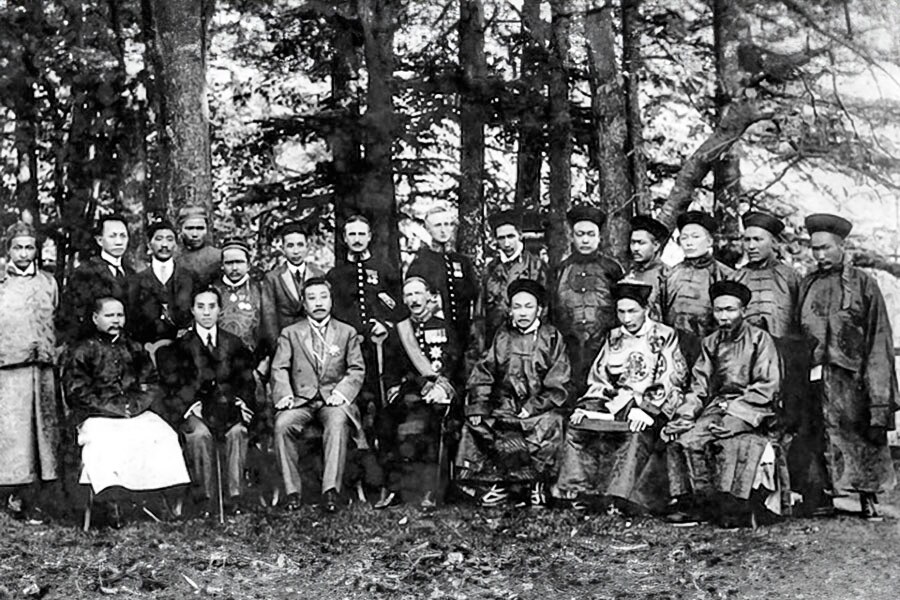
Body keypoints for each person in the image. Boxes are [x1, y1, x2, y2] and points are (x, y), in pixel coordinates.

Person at [798, 213, 898, 519]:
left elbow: (878, 336)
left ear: (842, 246)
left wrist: (877, 389)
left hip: (853, 377)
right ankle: (822, 496)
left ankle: (868, 497)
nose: (820, 255)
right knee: (818, 433)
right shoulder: (807, 283)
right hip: (816, 374)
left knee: (861, 434)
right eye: (815, 249)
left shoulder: (864, 284)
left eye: (826, 248)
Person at [556, 282, 686, 513]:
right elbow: (599, 378)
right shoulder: (614, 337)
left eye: (632, 311)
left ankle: (619, 498)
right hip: (614, 406)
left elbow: (671, 380)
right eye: (621, 312)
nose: (626, 318)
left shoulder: (664, 335)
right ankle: (581, 492)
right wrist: (588, 406)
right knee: (578, 427)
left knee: (635, 433)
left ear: (646, 309)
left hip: (649, 408)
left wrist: (647, 411)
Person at [664, 281, 786, 526]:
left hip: (753, 408)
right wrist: (686, 414)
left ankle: (734, 506)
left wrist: (735, 413)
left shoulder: (760, 340)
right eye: (719, 310)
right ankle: (700, 505)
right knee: (687, 440)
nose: (724, 316)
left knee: (728, 442)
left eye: (730, 310)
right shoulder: (710, 343)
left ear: (743, 311)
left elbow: (767, 385)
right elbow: (699, 385)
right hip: (717, 406)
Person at [63, 297, 190, 514]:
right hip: (97, 415)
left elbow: (150, 381)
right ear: (95, 318)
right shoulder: (82, 350)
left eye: (119, 315)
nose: (115, 321)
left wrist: (135, 405)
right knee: (105, 441)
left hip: (134, 411)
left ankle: (163, 497)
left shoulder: (133, 347)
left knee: (163, 435)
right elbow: (77, 391)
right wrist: (111, 409)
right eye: (109, 315)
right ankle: (111, 500)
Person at [729, 212, 818, 512]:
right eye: (747, 239)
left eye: (758, 239)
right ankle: (753, 491)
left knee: (790, 422)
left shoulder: (792, 277)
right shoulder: (736, 277)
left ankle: (795, 489)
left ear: (774, 242)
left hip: (787, 362)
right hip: (748, 367)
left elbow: (804, 323)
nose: (751, 245)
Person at [455, 279, 570, 507]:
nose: (523, 313)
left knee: (551, 424)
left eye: (529, 306)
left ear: (539, 309)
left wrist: (532, 406)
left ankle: (536, 483)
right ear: (510, 309)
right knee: (476, 425)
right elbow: (484, 372)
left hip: (537, 409)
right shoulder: (502, 335)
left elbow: (559, 383)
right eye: (517, 307)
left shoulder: (552, 337)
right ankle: (500, 485)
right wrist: (479, 404)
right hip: (504, 406)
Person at [270, 278, 366, 513]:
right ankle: (292, 491)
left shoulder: (346, 332)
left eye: (323, 297)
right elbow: (279, 367)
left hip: (332, 398)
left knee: (337, 421)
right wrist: (284, 393)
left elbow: (356, 368)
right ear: (304, 303)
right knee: (282, 424)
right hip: (302, 399)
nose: (318, 303)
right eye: (312, 298)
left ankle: (330, 490)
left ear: (331, 300)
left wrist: (341, 392)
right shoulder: (290, 333)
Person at [157, 288, 256, 514]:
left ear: (220, 310)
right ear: (192, 310)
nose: (206, 313)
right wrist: (190, 405)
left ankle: (234, 497)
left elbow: (247, 381)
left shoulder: (234, 343)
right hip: (196, 410)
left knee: (237, 432)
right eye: (200, 307)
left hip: (227, 407)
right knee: (199, 435)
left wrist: (241, 401)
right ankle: (204, 499)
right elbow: (172, 384)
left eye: (212, 306)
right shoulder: (180, 347)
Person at [373, 276, 462, 510]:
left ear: (429, 297)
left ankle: (431, 489)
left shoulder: (445, 327)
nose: (414, 299)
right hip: (410, 392)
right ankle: (393, 488)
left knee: (433, 419)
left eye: (418, 294)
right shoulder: (401, 331)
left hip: (439, 395)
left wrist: (442, 387)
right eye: (409, 295)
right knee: (384, 420)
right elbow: (391, 368)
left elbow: (454, 364)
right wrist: (394, 387)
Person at [0, 222, 61, 517]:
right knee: (13, 432)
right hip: (9, 369)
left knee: (42, 432)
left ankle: (35, 495)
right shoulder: (1, 282)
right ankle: (9, 490)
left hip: (43, 367)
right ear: (8, 249)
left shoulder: (48, 282)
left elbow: (57, 319)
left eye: (29, 247)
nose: (24, 254)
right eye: (17, 247)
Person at [552, 206, 624, 394]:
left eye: (591, 234)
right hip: (569, 350)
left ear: (599, 237)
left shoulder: (612, 269)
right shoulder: (561, 270)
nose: (585, 240)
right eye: (580, 234)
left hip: (605, 348)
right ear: (572, 237)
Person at [661, 210, 734, 365]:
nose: (689, 242)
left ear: (709, 241)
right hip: (673, 349)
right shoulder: (670, 274)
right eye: (684, 237)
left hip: (711, 349)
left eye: (695, 237)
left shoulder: (726, 275)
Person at [406, 206, 478, 355]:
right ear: (427, 229)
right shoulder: (420, 263)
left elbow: (474, 295)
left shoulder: (463, 262)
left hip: (462, 334)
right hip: (435, 336)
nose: (444, 230)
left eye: (448, 224)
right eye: (438, 225)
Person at [475, 209, 548, 353]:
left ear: (519, 235)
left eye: (511, 236)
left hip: (529, 344)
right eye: (501, 238)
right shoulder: (490, 270)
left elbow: (546, 309)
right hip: (497, 344)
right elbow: (480, 314)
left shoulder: (537, 266)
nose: (507, 243)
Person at [57, 214, 133, 343]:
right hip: (93, 347)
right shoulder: (85, 272)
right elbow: (72, 316)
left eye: (123, 236)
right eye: (112, 236)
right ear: (99, 240)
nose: (119, 241)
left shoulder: (132, 273)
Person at [127, 220, 197, 348]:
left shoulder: (189, 278)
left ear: (175, 245)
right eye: (159, 239)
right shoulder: (136, 281)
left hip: (184, 349)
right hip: (147, 348)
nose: (164, 244)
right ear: (149, 244)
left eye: (170, 239)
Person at [260, 222, 326, 357]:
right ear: (283, 248)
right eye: (290, 246)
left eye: (300, 245)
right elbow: (269, 316)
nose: (296, 251)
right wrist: (277, 346)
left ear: (308, 247)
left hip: (314, 342)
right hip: (285, 342)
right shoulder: (273, 278)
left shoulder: (318, 274)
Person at [212, 238, 265, 358]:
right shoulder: (213, 291)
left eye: (239, 262)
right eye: (229, 263)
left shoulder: (261, 289)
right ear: (222, 265)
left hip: (253, 358)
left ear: (248, 265)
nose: (234, 268)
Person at [621, 215, 670, 322]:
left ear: (656, 245)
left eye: (641, 243)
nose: (635, 248)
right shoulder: (629, 274)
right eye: (633, 243)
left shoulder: (667, 275)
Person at [175, 205, 222, 287]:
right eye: (189, 228)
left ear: (207, 229)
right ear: (180, 229)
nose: (195, 234)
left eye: (200, 228)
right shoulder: (171, 257)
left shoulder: (217, 257)